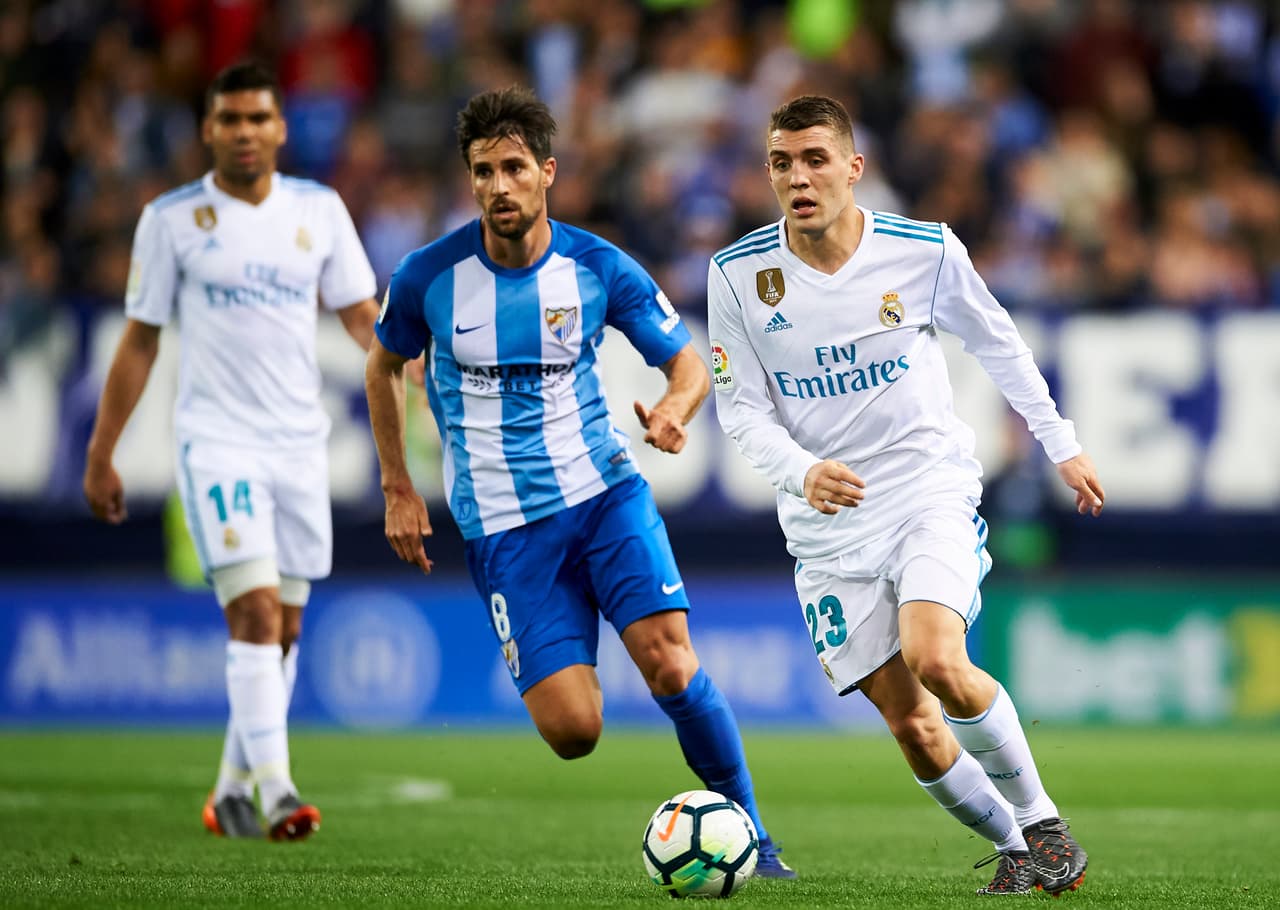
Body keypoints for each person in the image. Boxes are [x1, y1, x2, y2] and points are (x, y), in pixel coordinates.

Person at [364, 85, 794, 879]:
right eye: (484, 171)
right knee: (573, 731)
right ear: (471, 180)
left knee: (670, 662)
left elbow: (689, 363)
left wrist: (673, 408)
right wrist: (397, 483)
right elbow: (384, 365)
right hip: (503, 527)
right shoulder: (429, 276)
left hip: (603, 496)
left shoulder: (597, 266)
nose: (499, 186)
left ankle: (757, 839)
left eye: (514, 168)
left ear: (547, 173)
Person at [706, 95, 1105, 896]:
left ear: (854, 169)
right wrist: (799, 471)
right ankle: (1016, 849)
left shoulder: (921, 251)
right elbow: (740, 407)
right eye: (782, 162)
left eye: (816, 159)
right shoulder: (739, 275)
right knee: (914, 726)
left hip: (926, 485)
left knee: (937, 658)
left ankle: (1045, 822)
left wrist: (1061, 444)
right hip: (825, 523)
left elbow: (997, 340)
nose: (799, 177)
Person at [82, 61, 380, 841]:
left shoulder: (320, 209)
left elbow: (361, 319)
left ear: (280, 128)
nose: (244, 133)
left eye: (258, 119)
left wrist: (412, 372)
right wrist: (101, 450)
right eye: (229, 120)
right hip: (218, 443)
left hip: (299, 443)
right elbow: (140, 341)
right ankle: (278, 791)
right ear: (207, 130)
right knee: (249, 612)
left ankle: (230, 792)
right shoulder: (172, 219)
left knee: (281, 629)